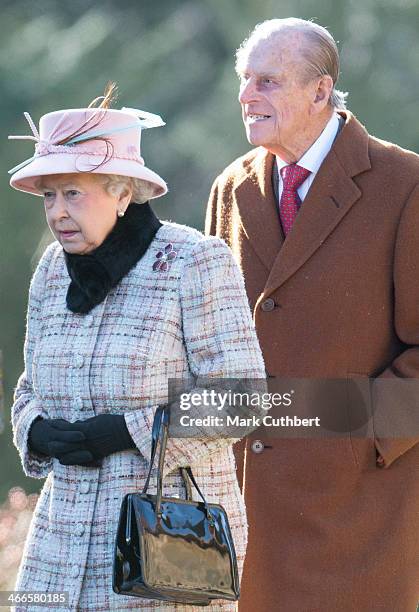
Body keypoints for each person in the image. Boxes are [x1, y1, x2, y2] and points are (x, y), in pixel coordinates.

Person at [9, 86, 266, 611]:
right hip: (60, 540)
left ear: (123, 193)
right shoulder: (51, 272)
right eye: (48, 196)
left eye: (73, 193)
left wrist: (127, 431)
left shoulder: (194, 261)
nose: (57, 212)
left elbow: (242, 398)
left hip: (166, 543)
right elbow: (28, 387)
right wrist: (34, 428)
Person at [205, 17, 419, 612]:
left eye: (267, 81)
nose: (248, 95)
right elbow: (211, 340)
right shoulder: (230, 187)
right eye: (244, 80)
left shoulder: (406, 184)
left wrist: (359, 438)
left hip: (357, 511)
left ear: (320, 91)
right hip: (246, 510)